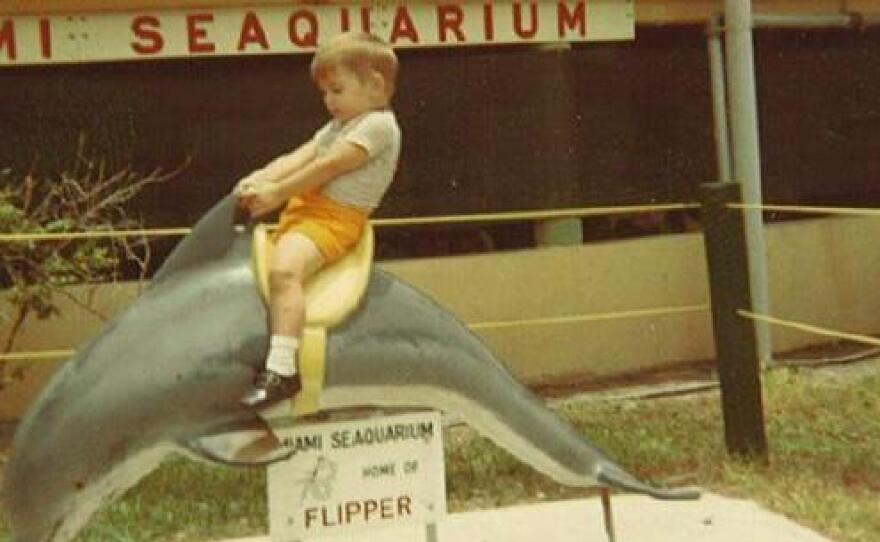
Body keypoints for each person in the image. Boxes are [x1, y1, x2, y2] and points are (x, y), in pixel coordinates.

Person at [234, 32, 401, 407]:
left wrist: (276, 193)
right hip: (305, 212)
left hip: (333, 220)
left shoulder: (378, 126)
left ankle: (282, 370)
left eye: (337, 90)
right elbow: (300, 156)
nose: (329, 101)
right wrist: (260, 177)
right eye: (325, 93)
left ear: (374, 84)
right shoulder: (339, 126)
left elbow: (327, 166)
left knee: (284, 273)